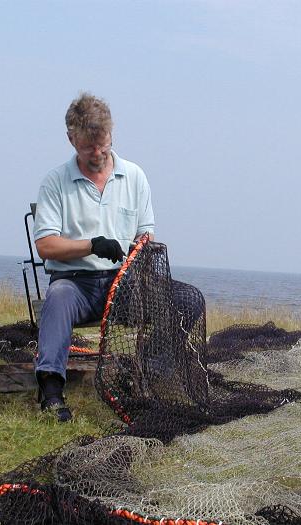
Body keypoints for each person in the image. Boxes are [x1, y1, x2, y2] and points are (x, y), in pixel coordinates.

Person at [33, 92, 204, 421]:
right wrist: (91, 245)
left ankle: (152, 372)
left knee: (188, 299)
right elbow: (46, 246)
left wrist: (136, 256)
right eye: (87, 147)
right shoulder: (55, 182)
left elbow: (146, 236)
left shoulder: (135, 176)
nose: (97, 153)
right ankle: (52, 390)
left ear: (112, 134)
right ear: (71, 139)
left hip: (125, 284)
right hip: (76, 284)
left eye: (103, 144)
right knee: (56, 298)